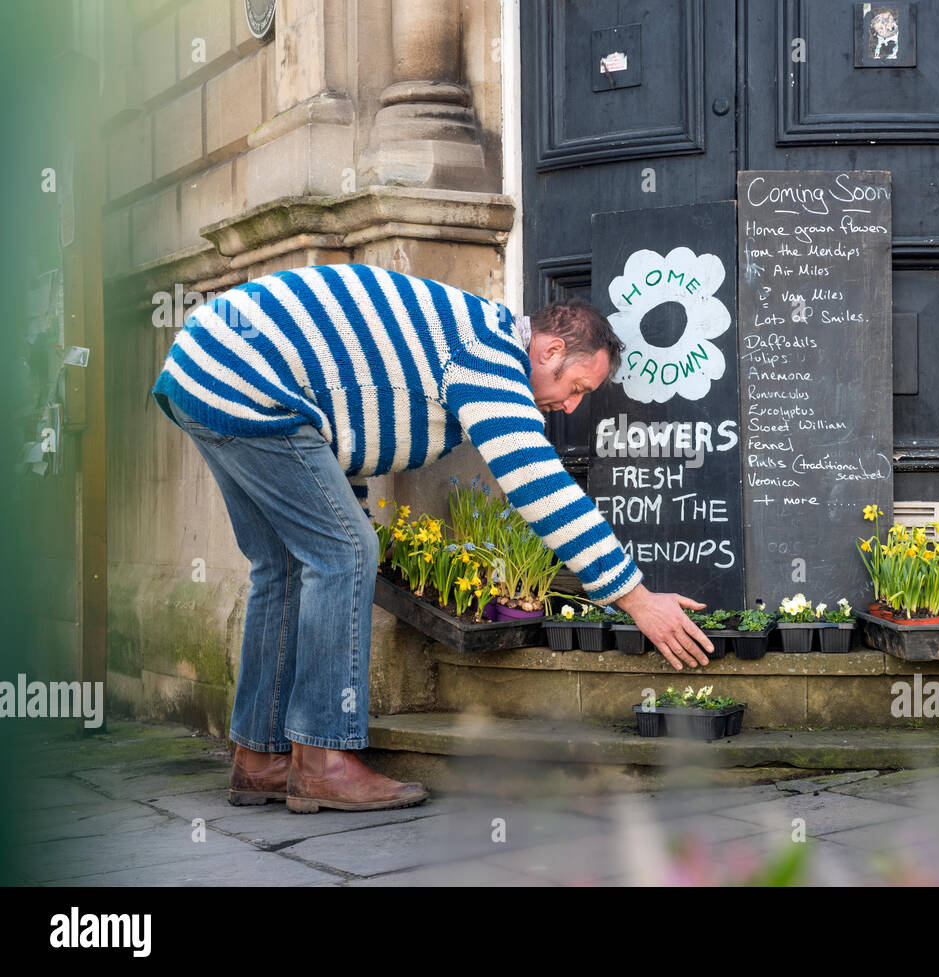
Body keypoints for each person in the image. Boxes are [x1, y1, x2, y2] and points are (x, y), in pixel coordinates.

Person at [152, 263, 714, 813]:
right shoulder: (489, 355)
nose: (570, 406)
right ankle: (321, 762)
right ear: (547, 352)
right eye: (575, 387)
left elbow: (340, 412)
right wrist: (636, 599)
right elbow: (538, 485)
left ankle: (260, 759)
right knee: (346, 552)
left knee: (284, 564)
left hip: (207, 369)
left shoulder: (469, 334)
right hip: (243, 379)